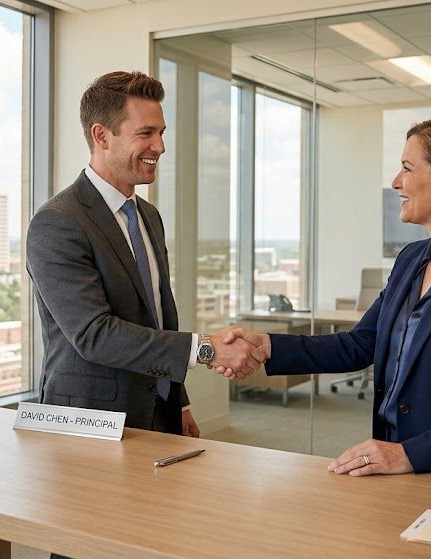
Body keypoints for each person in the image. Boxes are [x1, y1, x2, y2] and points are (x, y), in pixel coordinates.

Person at [221, 115, 431, 485]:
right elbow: (362, 343)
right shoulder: (411, 259)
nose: (395, 182)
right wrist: (266, 347)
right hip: (399, 468)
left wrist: (408, 453)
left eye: (407, 168)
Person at [26, 71, 263, 439]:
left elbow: (158, 318)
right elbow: (94, 334)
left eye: (161, 133)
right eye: (145, 133)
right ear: (101, 135)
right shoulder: (58, 222)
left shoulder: (146, 215)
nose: (160, 147)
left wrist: (179, 402)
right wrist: (205, 348)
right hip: (90, 420)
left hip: (158, 409)